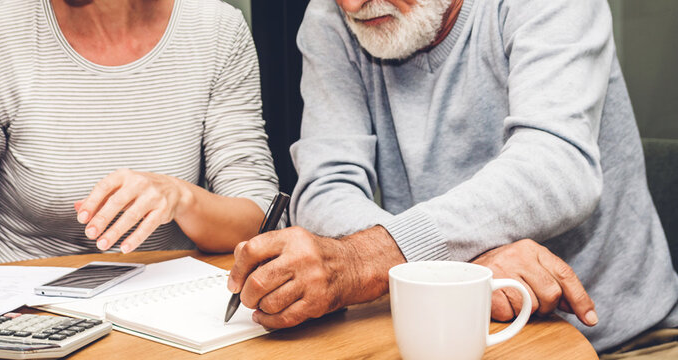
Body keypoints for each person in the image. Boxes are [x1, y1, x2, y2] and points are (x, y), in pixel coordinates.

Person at [227, 0, 678, 354]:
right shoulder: (330, 18)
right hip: (446, 337)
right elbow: (326, 187)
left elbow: (555, 166)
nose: (351, 5)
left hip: (624, 342)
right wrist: (456, 270)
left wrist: (365, 261)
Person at [0, 0, 279, 275]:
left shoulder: (218, 29)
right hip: (14, 313)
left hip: (157, 309)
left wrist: (180, 197)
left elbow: (257, 219)